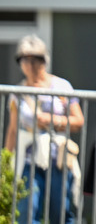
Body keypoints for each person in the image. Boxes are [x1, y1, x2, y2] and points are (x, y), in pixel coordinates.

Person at [3, 34, 84, 224]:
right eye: (25, 59)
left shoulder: (62, 86)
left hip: (58, 159)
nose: (30, 65)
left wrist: (50, 120)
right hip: (29, 160)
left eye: (36, 59)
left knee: (60, 213)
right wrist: (6, 164)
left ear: (44, 60)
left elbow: (78, 121)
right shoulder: (17, 92)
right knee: (26, 213)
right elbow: (13, 130)